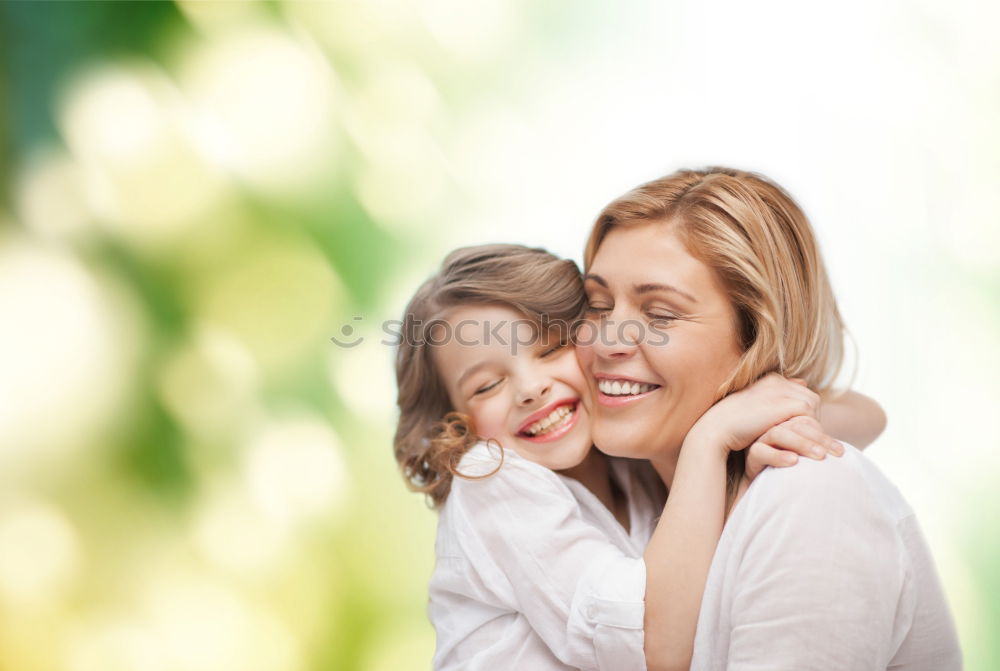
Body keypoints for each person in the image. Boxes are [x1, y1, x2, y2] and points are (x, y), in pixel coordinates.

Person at [393, 244, 886, 670]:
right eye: (487, 385)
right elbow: (652, 650)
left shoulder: (627, 453)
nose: (530, 388)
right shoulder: (490, 477)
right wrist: (710, 436)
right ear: (454, 427)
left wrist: (753, 406)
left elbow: (867, 417)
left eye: (551, 348)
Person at [579, 166, 961, 670]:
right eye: (597, 305)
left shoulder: (808, 497)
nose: (606, 341)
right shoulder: (622, 492)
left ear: (757, 334)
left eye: (661, 315)